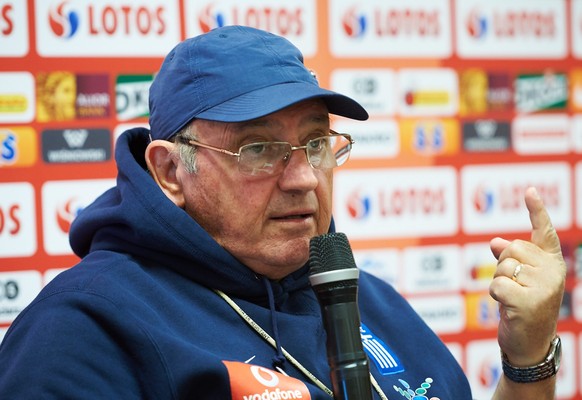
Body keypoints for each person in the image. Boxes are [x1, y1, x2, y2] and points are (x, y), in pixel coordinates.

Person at [0, 26, 566, 399]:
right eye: (258, 149)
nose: (301, 179)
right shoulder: (84, 329)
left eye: (315, 144)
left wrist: (527, 358)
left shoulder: (366, 296)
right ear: (171, 172)